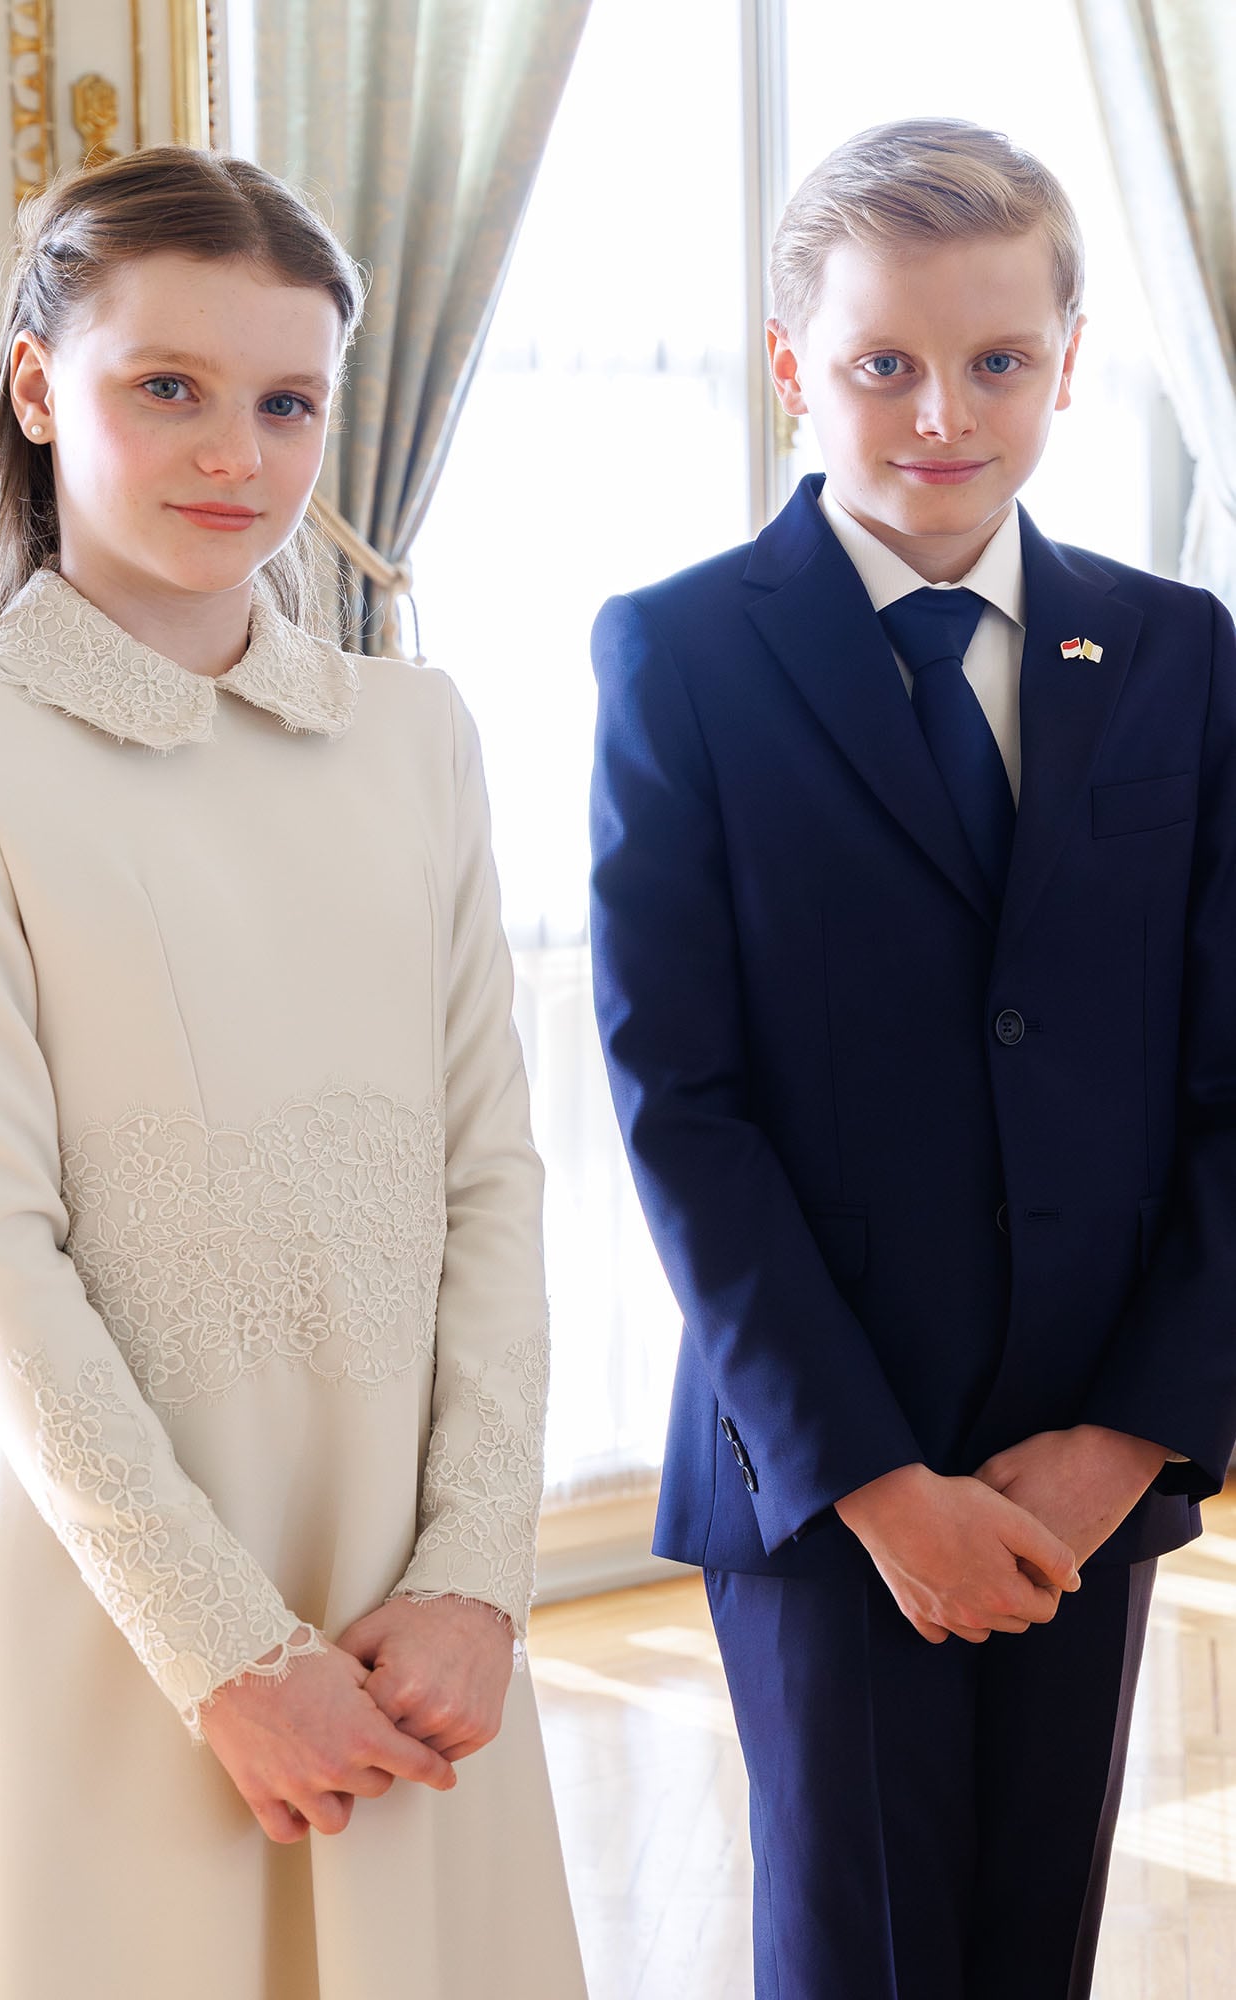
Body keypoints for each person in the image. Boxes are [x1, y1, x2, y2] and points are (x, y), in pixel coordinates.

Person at [0, 145, 586, 2000]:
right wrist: (225, 1653)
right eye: (168, 390)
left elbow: (491, 1183)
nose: (237, 455)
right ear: (42, 394)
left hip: (411, 1614)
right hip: (130, 1616)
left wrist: (473, 1577)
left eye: (287, 402)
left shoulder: (413, 733)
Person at [589, 117, 1236, 2000]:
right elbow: (677, 1101)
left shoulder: (1177, 654)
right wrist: (872, 1481)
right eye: (881, 362)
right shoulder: (682, 655)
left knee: (1034, 1945)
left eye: (994, 361)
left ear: (1067, 362)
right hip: (822, 1477)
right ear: (796, 368)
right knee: (861, 1953)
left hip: (1085, 1463)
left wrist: (1129, 1434)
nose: (938, 411)